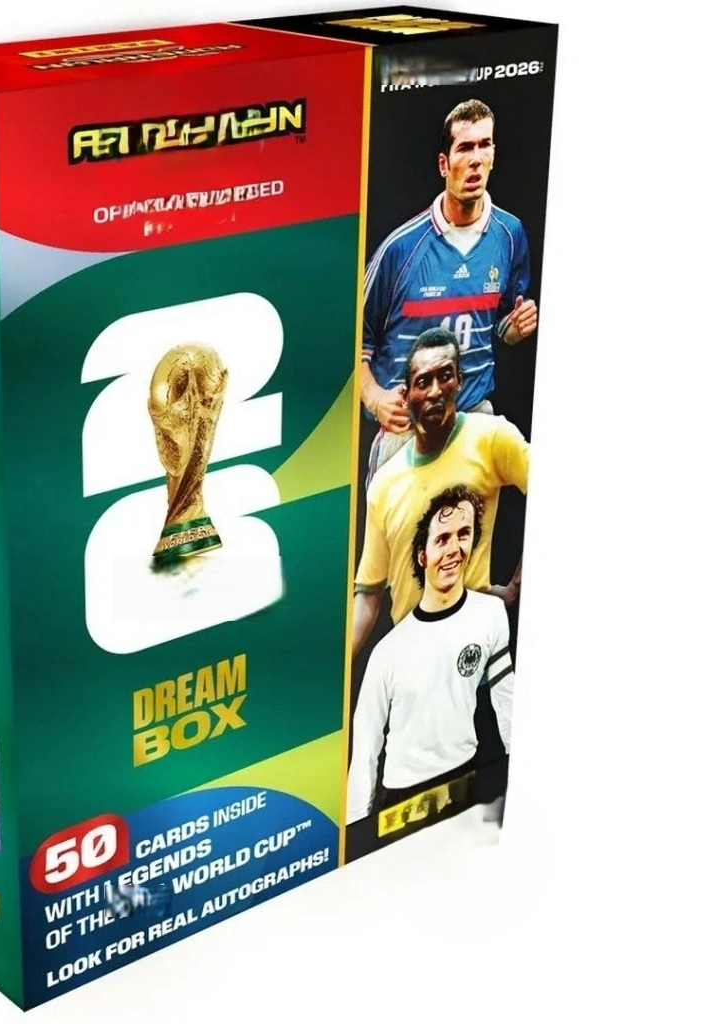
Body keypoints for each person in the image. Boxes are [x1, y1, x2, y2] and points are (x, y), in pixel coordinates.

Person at [360, 98, 537, 485]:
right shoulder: (400, 249)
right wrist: (374, 398)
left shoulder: (510, 235)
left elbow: (501, 325)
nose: (476, 159)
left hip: (474, 419)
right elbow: (354, 340)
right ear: (444, 164)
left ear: (494, 154)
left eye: (484, 145)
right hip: (408, 429)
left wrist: (516, 327)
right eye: (465, 148)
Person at [352, 327, 528, 656]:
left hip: (471, 654)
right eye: (423, 381)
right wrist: (334, 669)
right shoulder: (385, 484)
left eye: (445, 376)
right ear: (405, 394)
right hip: (410, 660)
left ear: (459, 381)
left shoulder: (491, 437)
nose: (435, 391)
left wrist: (516, 585)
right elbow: (369, 596)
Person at [346, 485, 513, 826]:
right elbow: (365, 751)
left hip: (467, 781)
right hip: (403, 801)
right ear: (422, 556)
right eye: (442, 539)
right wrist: (357, 829)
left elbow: (507, 703)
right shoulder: (387, 653)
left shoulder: (490, 614)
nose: (453, 549)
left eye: (463, 534)